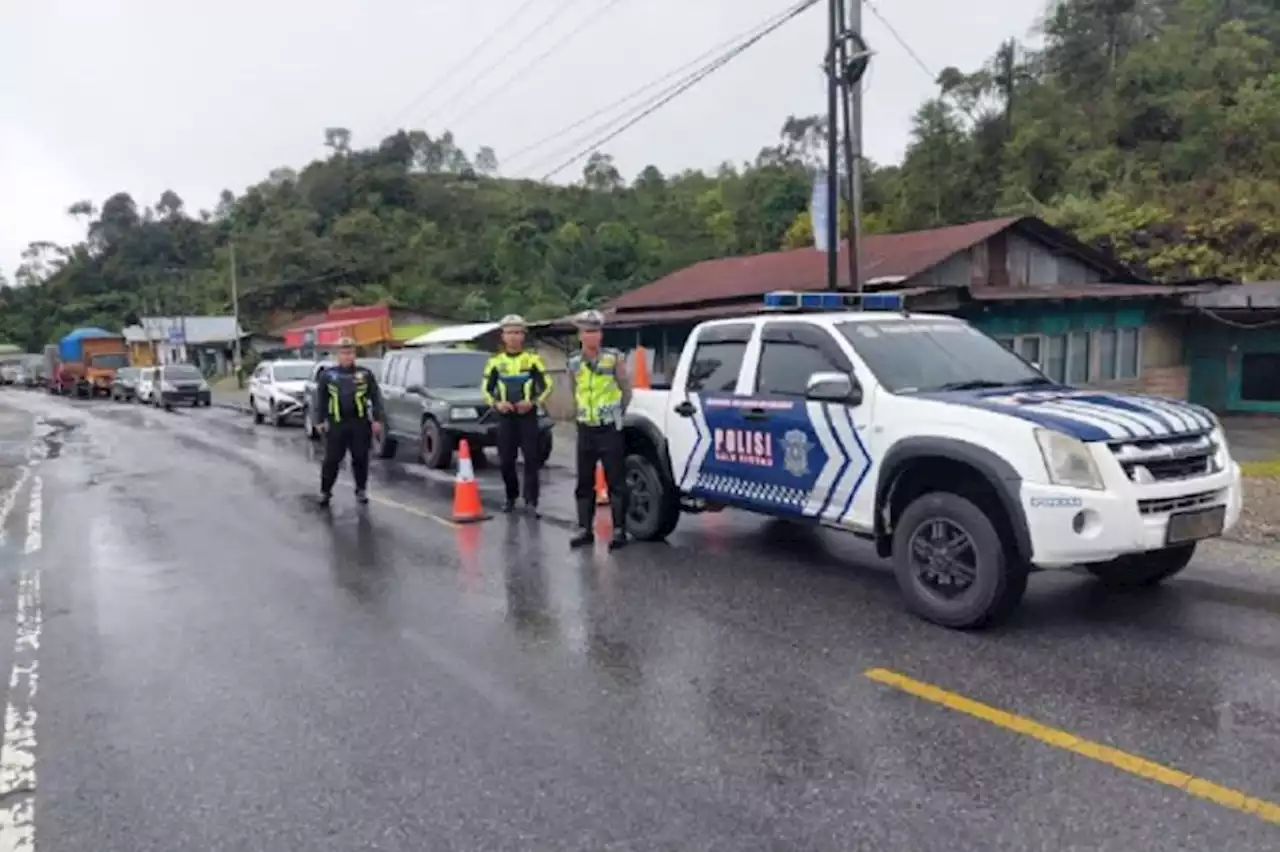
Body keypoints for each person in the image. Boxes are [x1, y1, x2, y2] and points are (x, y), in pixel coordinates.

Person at [568, 310, 630, 550]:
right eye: (587, 331)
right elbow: (574, 392)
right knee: (584, 481)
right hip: (586, 428)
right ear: (580, 335)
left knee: (616, 481)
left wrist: (616, 414)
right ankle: (584, 529)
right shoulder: (573, 363)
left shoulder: (613, 359)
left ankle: (619, 530)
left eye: (595, 331)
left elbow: (626, 391)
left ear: (601, 334)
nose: (591, 336)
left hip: (609, 428)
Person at [482, 315, 553, 515]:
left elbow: (547, 385)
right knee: (506, 460)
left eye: (518, 332)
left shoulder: (532, 360)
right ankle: (510, 497)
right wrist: (497, 404)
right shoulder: (495, 362)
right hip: (506, 417)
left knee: (532, 459)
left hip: (528, 417)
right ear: (503, 336)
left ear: (524, 335)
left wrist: (533, 402)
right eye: (510, 332)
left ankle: (531, 501)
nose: (514, 337)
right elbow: (486, 389)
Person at [315, 337, 384, 506]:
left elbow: (376, 397)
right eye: (344, 353)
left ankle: (361, 490)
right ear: (337, 355)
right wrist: (319, 420)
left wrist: (377, 419)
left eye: (351, 352)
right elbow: (320, 399)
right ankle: (325, 492)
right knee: (332, 460)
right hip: (337, 424)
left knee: (361, 458)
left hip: (359, 423)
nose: (348, 356)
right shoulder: (328, 375)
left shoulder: (365, 374)